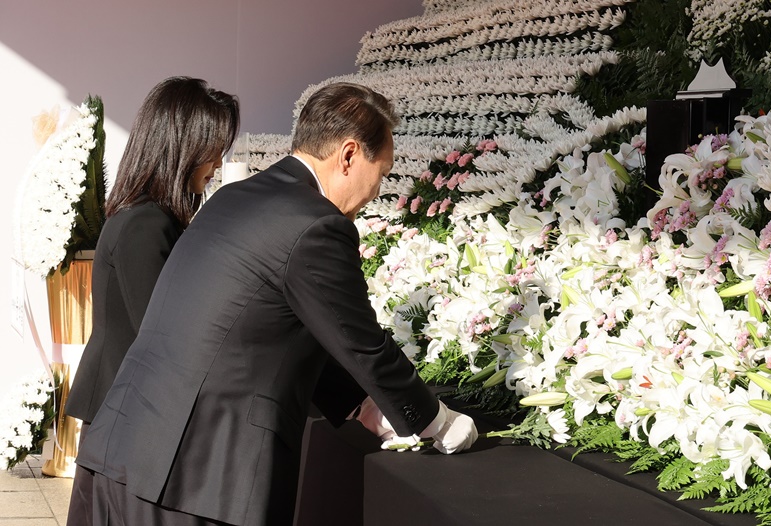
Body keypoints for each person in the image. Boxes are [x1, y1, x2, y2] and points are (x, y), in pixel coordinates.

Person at [76, 82, 478, 525]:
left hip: (123, 452)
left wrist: (363, 407)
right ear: (348, 156)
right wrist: (435, 421)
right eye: (380, 173)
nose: (376, 192)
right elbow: (361, 343)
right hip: (196, 478)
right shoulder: (315, 225)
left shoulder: (234, 199)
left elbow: (274, 329)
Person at [64, 76, 240, 526]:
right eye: (213, 147)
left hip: (121, 409)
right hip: (128, 415)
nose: (218, 163)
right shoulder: (148, 224)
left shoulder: (142, 214)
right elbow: (161, 334)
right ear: (183, 144)